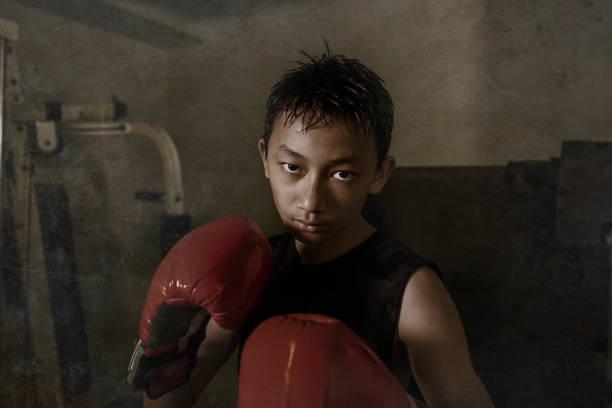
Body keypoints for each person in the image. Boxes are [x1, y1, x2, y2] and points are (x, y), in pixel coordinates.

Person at [144, 49, 494, 407]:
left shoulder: (412, 290)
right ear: (265, 158)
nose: (311, 200)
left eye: (341, 174)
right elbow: (167, 402)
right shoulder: (249, 268)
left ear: (379, 174)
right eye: (293, 167)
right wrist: (164, 345)